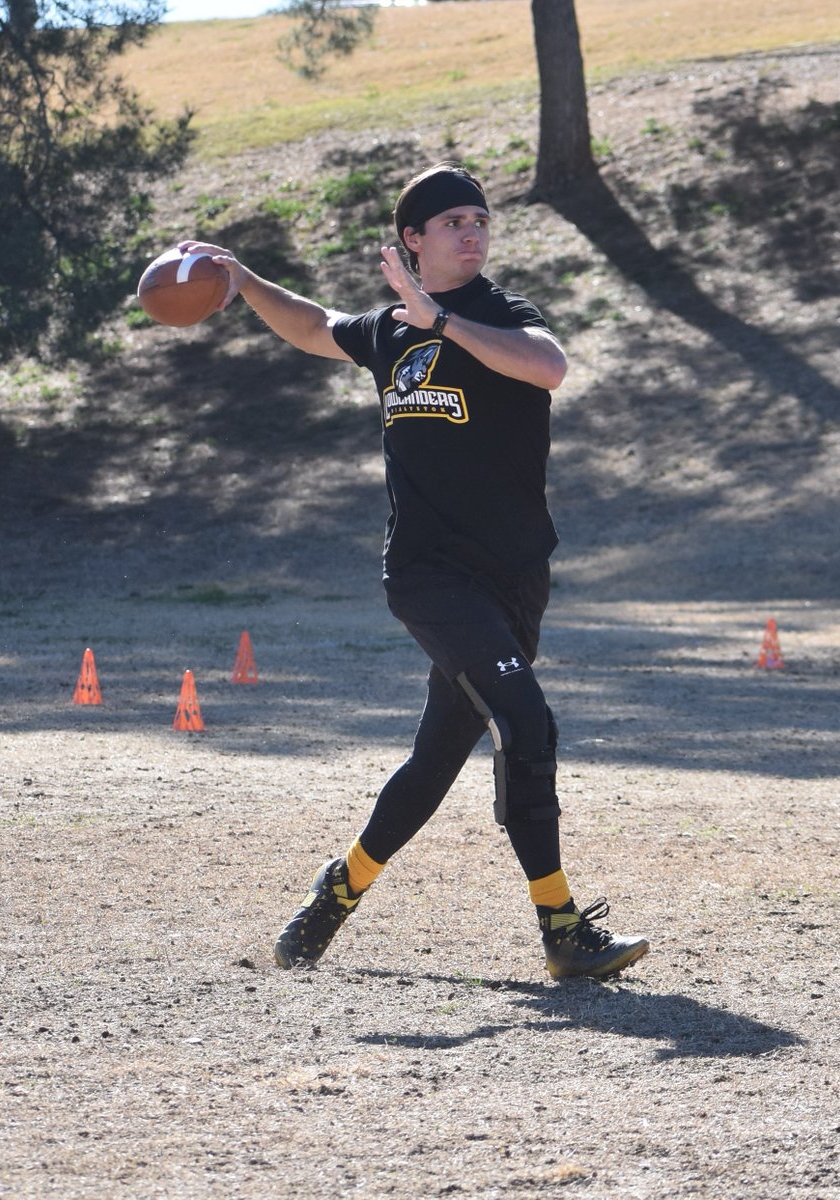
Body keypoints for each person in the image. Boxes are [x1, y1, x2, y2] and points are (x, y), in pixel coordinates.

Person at [181, 160, 649, 979]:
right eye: (453, 222)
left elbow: (548, 367)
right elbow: (316, 325)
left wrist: (443, 323)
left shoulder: (500, 314)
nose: (472, 232)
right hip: (431, 578)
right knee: (527, 724)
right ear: (413, 239)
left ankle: (339, 890)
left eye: (480, 220)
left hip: (513, 578)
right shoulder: (389, 328)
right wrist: (247, 280)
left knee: (436, 758)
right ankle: (563, 929)